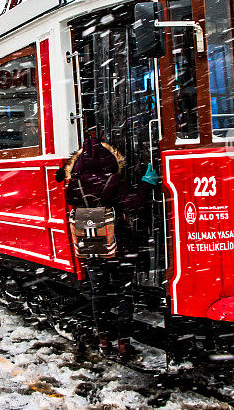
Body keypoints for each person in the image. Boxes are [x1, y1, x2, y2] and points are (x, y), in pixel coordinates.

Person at [61, 136, 158, 358]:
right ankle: (124, 342)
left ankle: (104, 340)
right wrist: (146, 184)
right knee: (124, 292)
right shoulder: (112, 179)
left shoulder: (74, 184)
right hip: (119, 244)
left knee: (99, 293)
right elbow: (132, 205)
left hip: (91, 243)